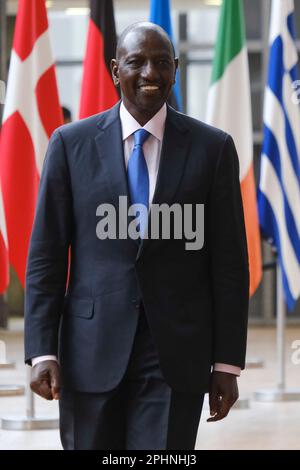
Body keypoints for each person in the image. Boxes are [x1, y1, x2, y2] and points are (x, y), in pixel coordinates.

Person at [25, 22, 249, 450]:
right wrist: (42, 351)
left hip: (176, 357)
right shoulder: (70, 145)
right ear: (114, 70)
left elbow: (230, 264)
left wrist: (227, 363)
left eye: (162, 63)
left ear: (176, 69)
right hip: (89, 354)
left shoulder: (212, 148)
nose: (151, 72)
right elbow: (46, 257)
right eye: (137, 62)